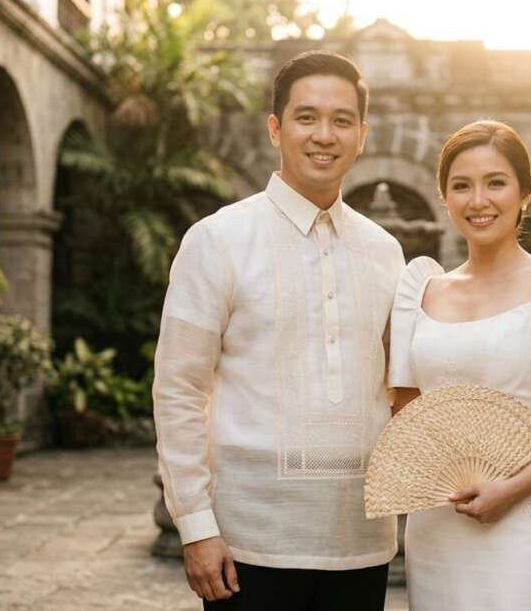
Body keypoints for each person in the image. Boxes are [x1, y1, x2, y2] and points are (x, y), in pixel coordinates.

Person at [152, 50, 405, 610]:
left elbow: (404, 383)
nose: (324, 134)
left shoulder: (386, 252)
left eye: (342, 120)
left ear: (362, 135)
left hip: (361, 544)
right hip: (249, 545)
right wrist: (195, 525)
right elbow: (178, 390)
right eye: (306, 117)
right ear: (275, 128)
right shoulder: (216, 240)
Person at [388, 120, 531, 610]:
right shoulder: (419, 290)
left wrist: (509, 490)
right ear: (444, 197)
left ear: (525, 192)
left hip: (521, 516)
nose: (478, 201)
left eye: (496, 182)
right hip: (438, 519)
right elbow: (404, 412)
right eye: (461, 186)